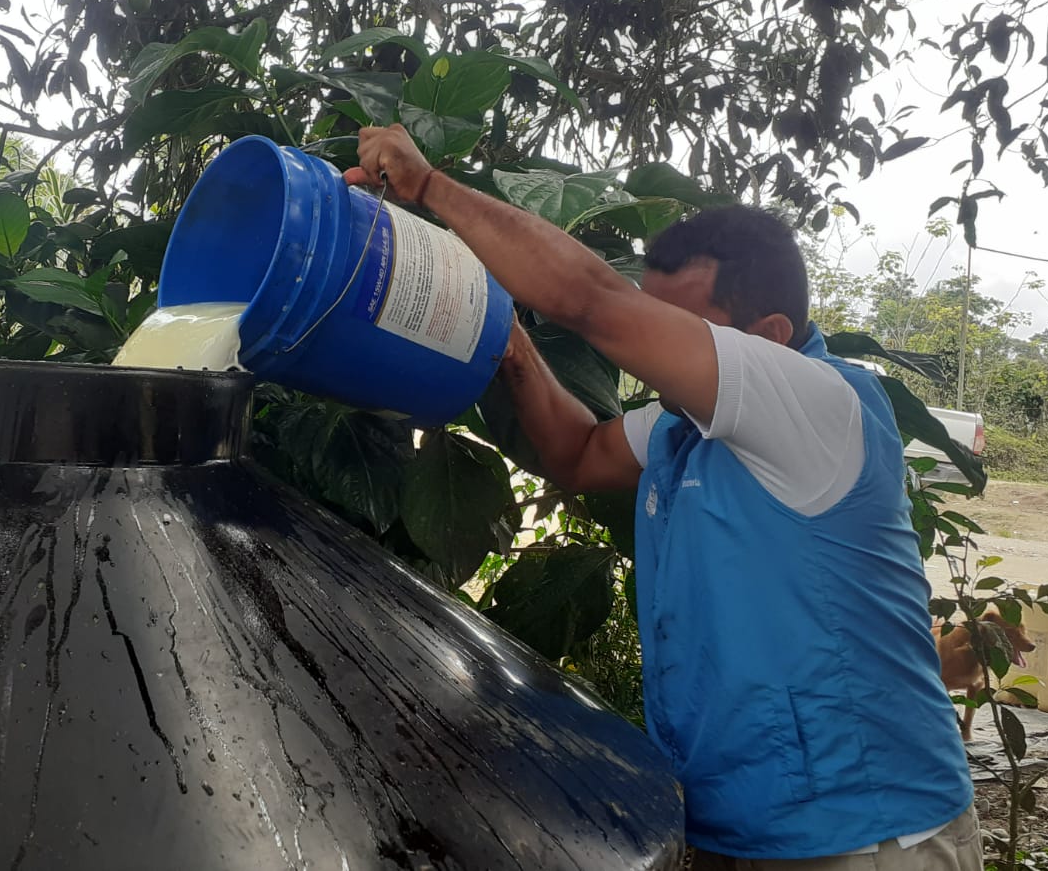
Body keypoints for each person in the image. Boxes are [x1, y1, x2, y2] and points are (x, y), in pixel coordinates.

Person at [345, 125, 981, 869]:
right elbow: (577, 454)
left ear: (771, 334)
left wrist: (429, 188)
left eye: (673, 325)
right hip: (730, 823)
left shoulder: (818, 402)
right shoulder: (682, 427)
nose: (646, 347)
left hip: (864, 835)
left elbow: (593, 302)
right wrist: (511, 340)